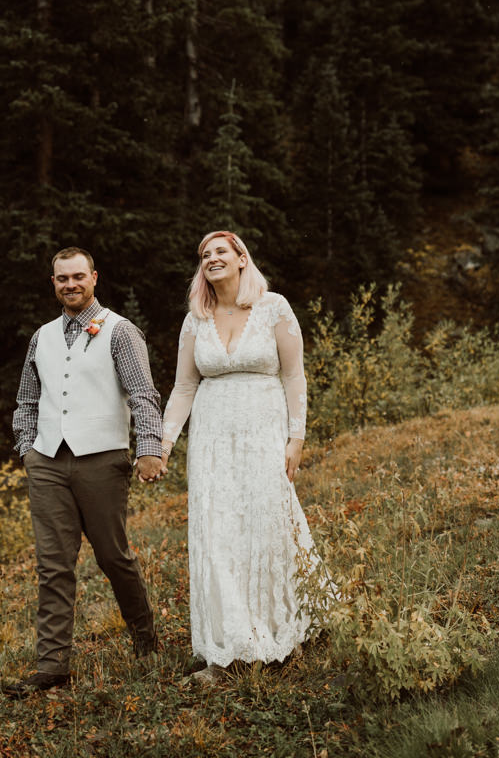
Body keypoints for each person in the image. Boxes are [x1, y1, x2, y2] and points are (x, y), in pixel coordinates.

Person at [2, 246, 167, 699]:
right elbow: (27, 400)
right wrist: (27, 449)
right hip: (47, 462)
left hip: (102, 460)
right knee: (53, 564)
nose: (70, 285)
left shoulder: (120, 331)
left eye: (78, 276)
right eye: (61, 279)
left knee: (113, 556)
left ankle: (145, 639)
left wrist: (149, 449)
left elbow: (143, 394)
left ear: (94, 277)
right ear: (52, 283)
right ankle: (52, 664)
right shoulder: (42, 336)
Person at [160, 230, 321, 682]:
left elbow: (294, 376)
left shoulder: (274, 308)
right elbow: (185, 386)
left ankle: (284, 625)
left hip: (263, 434)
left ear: (241, 259)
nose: (211, 258)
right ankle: (231, 644)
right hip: (211, 442)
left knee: (268, 523)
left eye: (220, 252)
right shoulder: (196, 319)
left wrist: (296, 437)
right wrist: (164, 442)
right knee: (218, 533)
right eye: (204, 254)